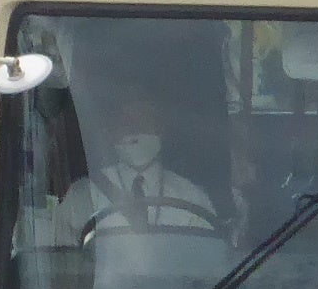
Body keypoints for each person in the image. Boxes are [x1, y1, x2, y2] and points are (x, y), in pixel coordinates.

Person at [62, 94, 219, 241]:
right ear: (109, 132)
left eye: (146, 120)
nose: (135, 129)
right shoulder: (82, 196)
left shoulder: (191, 197)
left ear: (161, 130)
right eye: (125, 122)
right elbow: (65, 259)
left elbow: (211, 259)